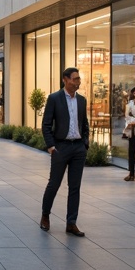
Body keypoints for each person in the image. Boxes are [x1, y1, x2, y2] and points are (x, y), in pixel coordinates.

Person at [40, 67, 89, 236]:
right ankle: (45, 215)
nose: (78, 82)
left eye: (78, 79)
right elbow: (46, 124)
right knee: (54, 184)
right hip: (61, 147)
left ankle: (71, 223)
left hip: (78, 148)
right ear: (65, 79)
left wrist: (85, 144)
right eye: (75, 79)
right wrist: (51, 146)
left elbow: (85, 124)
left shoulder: (82, 100)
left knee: (75, 187)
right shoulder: (54, 98)